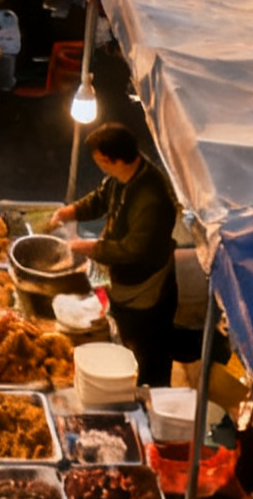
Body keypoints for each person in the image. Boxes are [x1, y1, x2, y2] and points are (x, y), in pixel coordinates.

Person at [53, 124, 180, 383]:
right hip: (118, 275)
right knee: (118, 323)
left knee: (143, 350)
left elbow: (133, 249)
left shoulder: (151, 199)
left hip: (144, 286)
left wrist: (92, 248)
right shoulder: (122, 176)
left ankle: (144, 390)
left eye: (101, 162)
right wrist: (71, 212)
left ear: (115, 160)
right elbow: (102, 198)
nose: (100, 167)